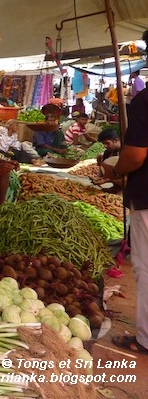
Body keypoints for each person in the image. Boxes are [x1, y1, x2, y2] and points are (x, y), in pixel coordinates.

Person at [102, 31, 148, 355]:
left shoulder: (145, 100)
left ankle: (145, 340)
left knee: (146, 270)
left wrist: (117, 171)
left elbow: (135, 155)